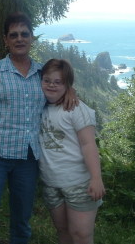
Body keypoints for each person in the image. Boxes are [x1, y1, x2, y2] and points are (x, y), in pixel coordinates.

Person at [0, 12, 77, 244]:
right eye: (13, 35)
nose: (19, 39)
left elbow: (57, 89)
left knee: (21, 223)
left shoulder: (41, 74)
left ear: (32, 38)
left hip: (28, 160)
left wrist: (71, 90)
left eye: (24, 34)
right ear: (5, 40)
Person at [39, 59, 105, 244]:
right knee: (63, 232)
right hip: (51, 183)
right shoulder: (38, 105)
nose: (51, 85)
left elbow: (88, 144)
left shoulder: (75, 108)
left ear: (67, 85)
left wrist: (96, 178)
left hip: (78, 183)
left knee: (81, 235)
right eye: (47, 80)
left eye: (58, 82)